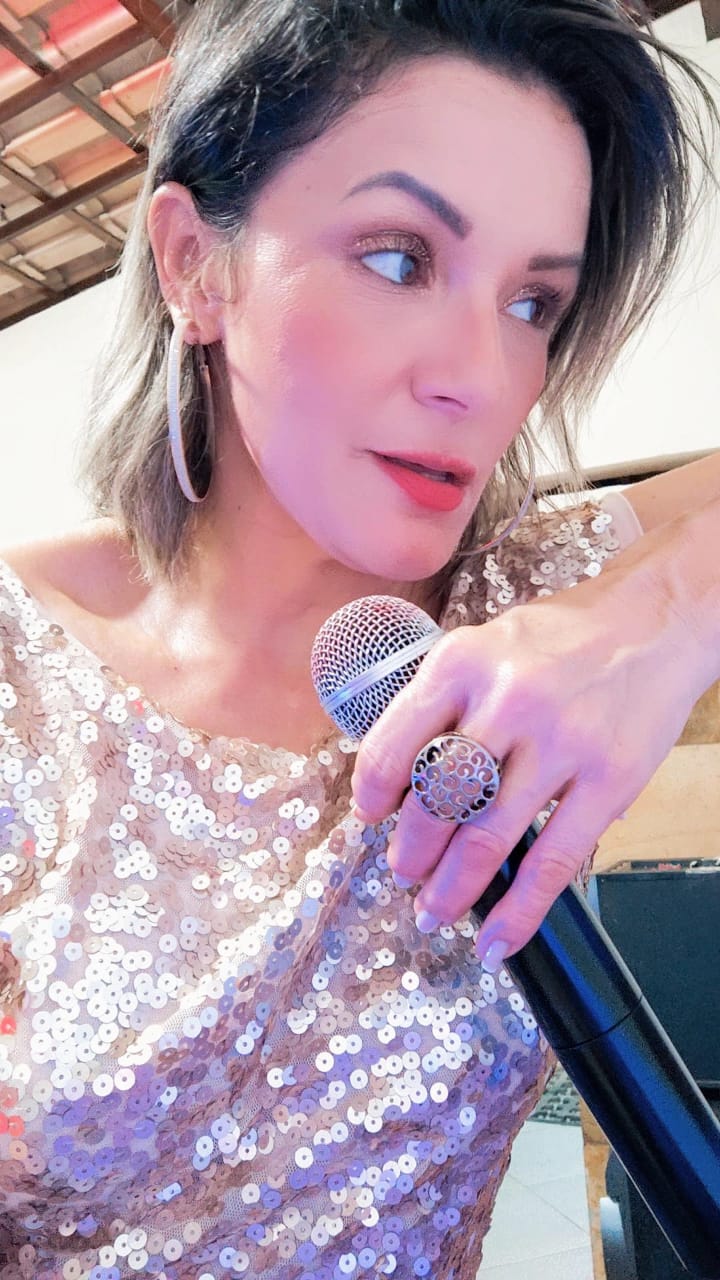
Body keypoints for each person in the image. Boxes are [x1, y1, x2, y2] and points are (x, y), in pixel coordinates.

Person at [0, 0, 718, 1274]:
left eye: (534, 300)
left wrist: (658, 617)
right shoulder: (25, 673)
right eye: (398, 258)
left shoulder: (523, 607)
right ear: (195, 265)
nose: (481, 378)